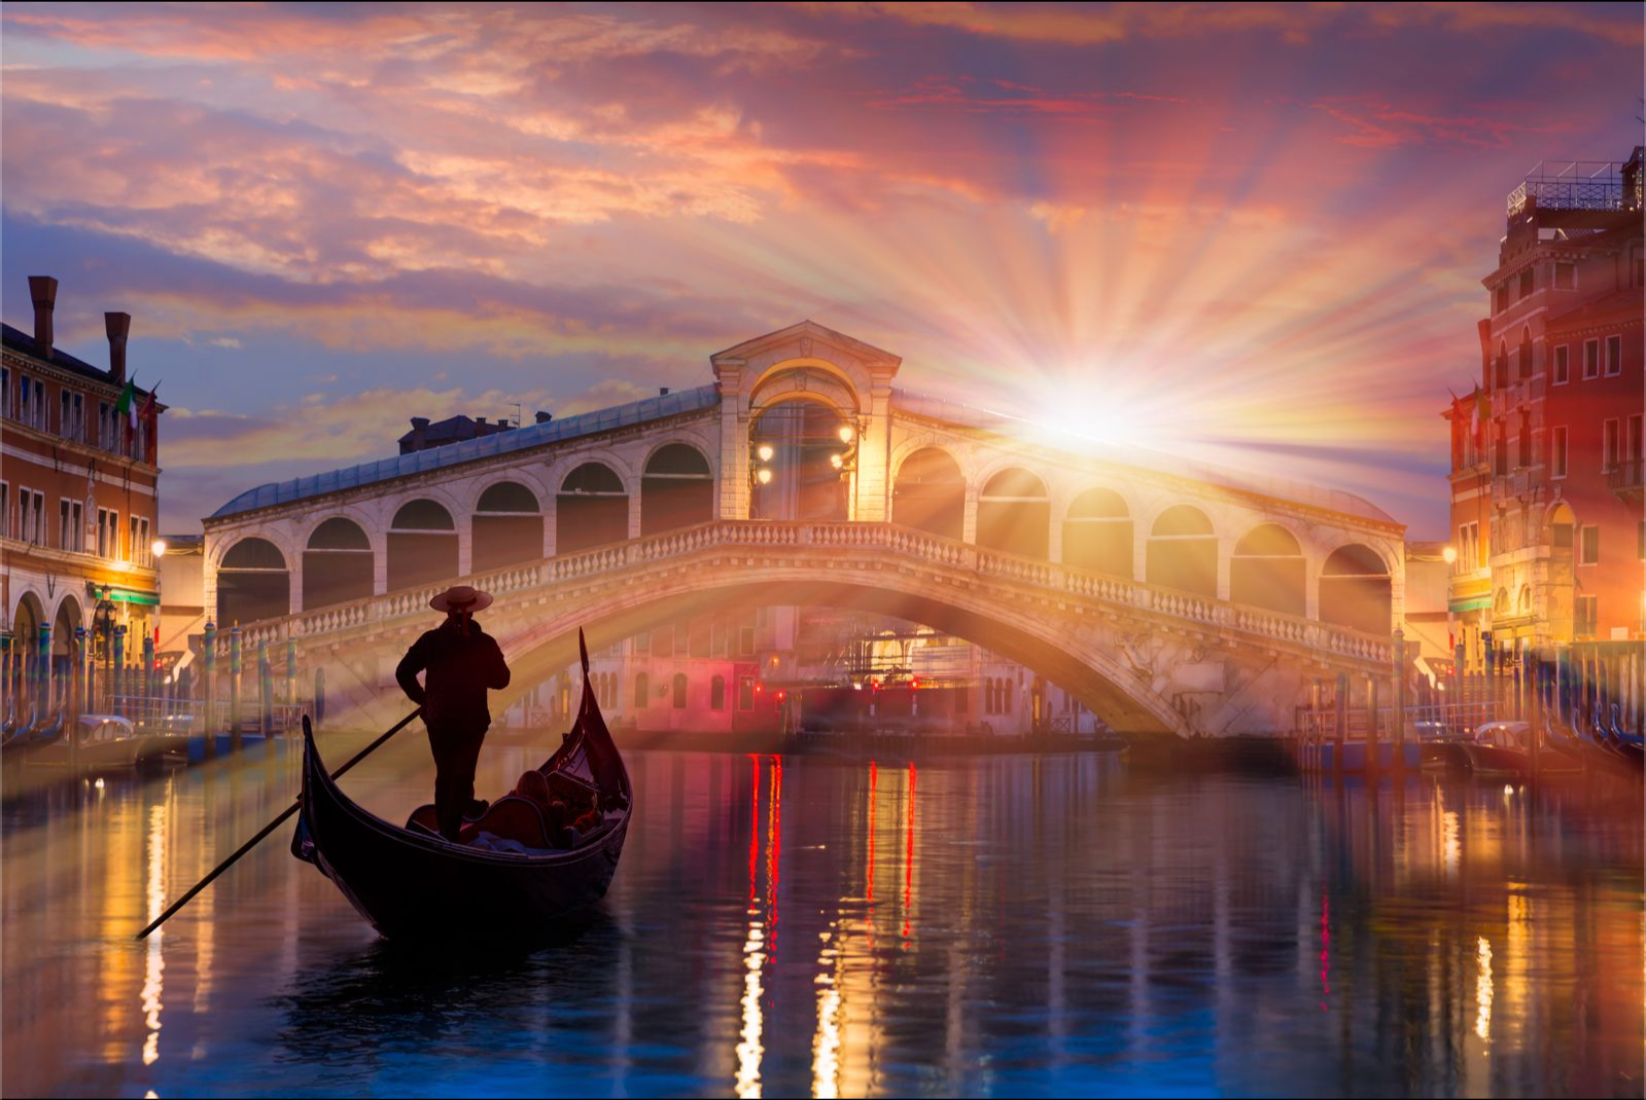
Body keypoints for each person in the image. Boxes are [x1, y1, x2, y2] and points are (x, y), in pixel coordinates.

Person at [395, 585, 511, 841]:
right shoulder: (485, 643)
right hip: (472, 723)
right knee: (462, 776)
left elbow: (403, 672)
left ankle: (449, 830)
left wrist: (424, 700)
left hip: (439, 720)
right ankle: (451, 832)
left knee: (446, 775)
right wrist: (480, 673)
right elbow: (502, 680)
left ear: (447, 613)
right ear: (473, 612)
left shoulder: (430, 641)